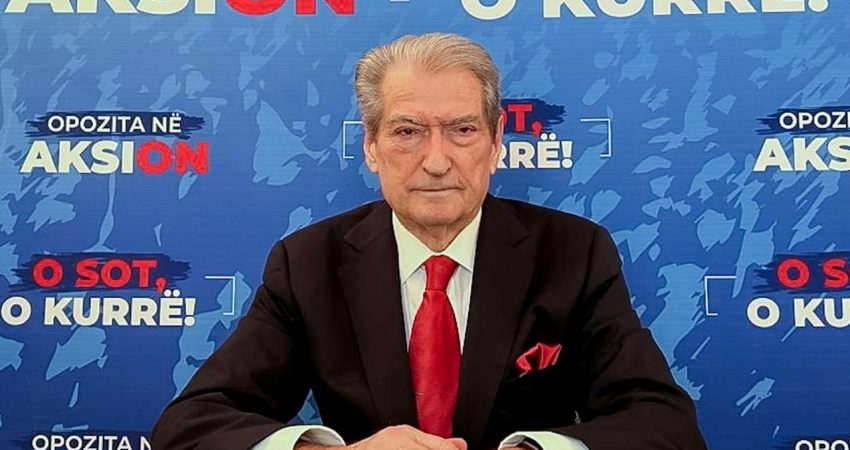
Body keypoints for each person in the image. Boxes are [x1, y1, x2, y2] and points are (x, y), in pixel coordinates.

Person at [151, 33, 707, 450]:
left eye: (462, 130)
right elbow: (191, 424)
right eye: (407, 132)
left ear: (495, 142)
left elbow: (664, 423)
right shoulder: (308, 263)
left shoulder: (573, 253)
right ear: (371, 146)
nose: (436, 161)